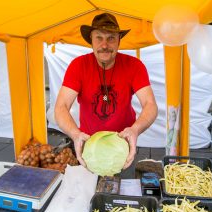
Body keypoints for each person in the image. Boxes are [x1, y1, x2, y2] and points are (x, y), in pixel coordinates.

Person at [55, 13, 158, 172]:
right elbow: (61, 106)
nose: (104, 45)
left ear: (118, 41)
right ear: (91, 40)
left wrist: (135, 130)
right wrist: (75, 134)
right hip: (89, 147)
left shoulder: (134, 66)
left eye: (111, 38)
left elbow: (150, 104)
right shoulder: (78, 66)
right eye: (99, 38)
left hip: (122, 146)